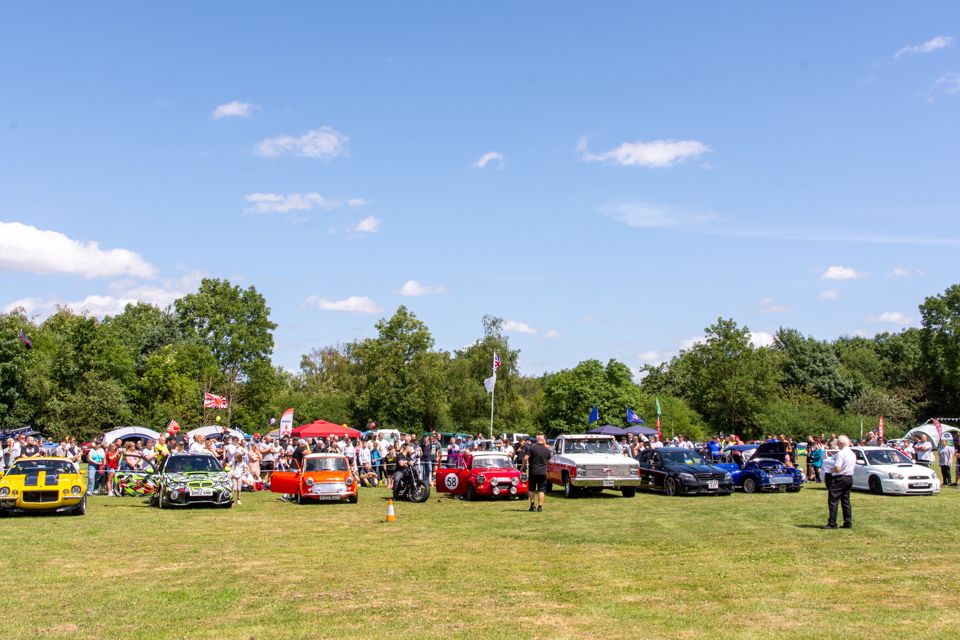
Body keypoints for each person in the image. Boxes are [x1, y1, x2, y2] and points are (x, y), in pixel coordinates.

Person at [823, 435, 855, 530]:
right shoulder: (852, 453)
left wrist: (830, 469)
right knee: (846, 501)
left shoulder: (841, 454)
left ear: (840, 443)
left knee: (833, 500)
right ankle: (847, 522)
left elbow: (838, 468)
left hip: (840, 478)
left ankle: (832, 523)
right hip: (849, 478)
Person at [524, 434, 552, 513]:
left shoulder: (531, 447)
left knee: (531, 489)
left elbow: (525, 458)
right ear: (543, 440)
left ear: (537, 440)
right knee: (541, 490)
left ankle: (532, 505)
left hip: (533, 471)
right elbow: (549, 461)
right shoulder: (547, 450)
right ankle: (540, 506)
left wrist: (523, 465)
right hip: (543, 472)